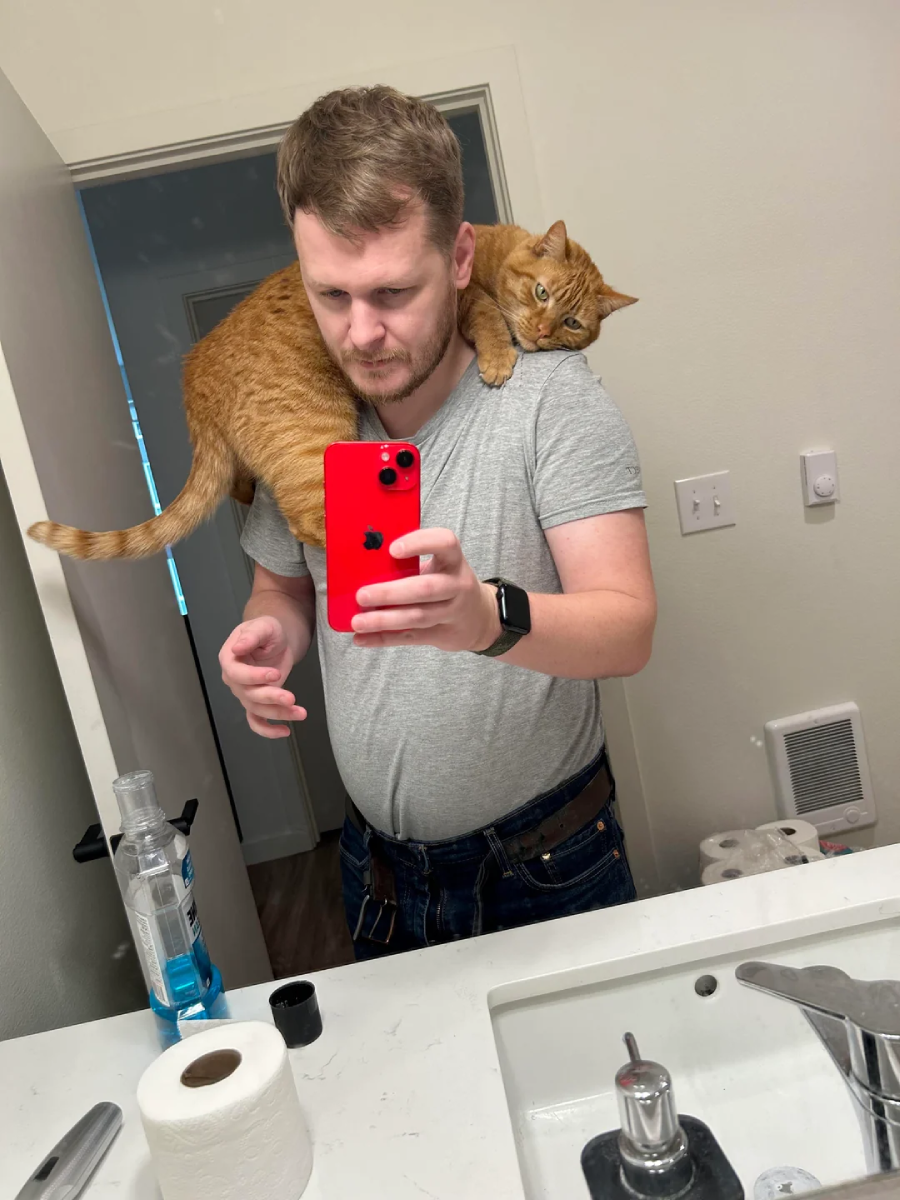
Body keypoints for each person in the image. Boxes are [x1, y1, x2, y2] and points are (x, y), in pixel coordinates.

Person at [219, 85, 657, 959]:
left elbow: (627, 627)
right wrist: (266, 634)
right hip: (377, 878)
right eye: (330, 295)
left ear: (461, 257)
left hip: (549, 866)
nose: (362, 332)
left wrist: (486, 618)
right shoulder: (302, 414)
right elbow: (281, 586)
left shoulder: (550, 402)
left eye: (392, 292)